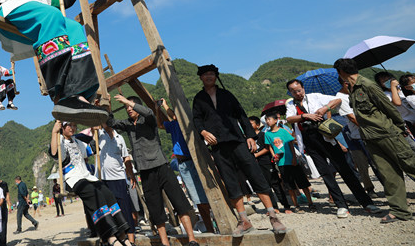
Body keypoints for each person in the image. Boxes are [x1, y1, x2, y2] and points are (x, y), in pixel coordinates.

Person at [191, 65, 287, 237]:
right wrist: (203, 132)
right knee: (230, 182)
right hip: (218, 147)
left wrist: (250, 136)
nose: (208, 76)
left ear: (215, 76)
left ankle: (273, 216)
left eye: (211, 74)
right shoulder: (198, 98)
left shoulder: (226, 94)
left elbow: (241, 114)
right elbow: (196, 119)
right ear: (200, 78)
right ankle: (244, 220)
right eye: (205, 74)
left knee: (255, 174)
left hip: (238, 141)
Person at [108, 96, 199, 246]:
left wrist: (127, 101)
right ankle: (165, 243)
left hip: (162, 166)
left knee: (180, 202)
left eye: (131, 107)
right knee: (155, 209)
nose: (129, 109)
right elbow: (111, 122)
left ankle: (192, 239)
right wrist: (108, 106)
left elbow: (149, 112)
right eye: (127, 108)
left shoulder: (148, 119)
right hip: (145, 171)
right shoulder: (128, 124)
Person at [334, 58, 415, 223]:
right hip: (370, 138)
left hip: (387, 134)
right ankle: (399, 211)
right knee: (389, 174)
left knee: (411, 164)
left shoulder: (368, 86)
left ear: (342, 72)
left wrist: (400, 129)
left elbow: (389, 109)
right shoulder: (351, 89)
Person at [285, 78, 379, 218]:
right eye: (293, 91)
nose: (297, 93)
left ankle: (366, 203)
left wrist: (325, 108)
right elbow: (289, 119)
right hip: (310, 142)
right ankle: (341, 205)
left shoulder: (315, 96)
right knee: (325, 173)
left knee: (345, 169)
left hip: (326, 137)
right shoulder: (291, 104)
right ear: (290, 93)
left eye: (299, 90)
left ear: (303, 88)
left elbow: (337, 100)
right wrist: (305, 116)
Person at [50, 121, 135, 246]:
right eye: (69, 125)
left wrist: (96, 131)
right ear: (62, 127)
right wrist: (54, 132)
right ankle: (110, 237)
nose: (73, 128)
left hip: (86, 176)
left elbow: (93, 148)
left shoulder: (77, 141)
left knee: (107, 193)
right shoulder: (60, 140)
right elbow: (54, 153)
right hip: (72, 179)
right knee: (96, 195)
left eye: (74, 125)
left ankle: (122, 235)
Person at [156, 98, 214, 232]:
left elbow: (176, 116)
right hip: (182, 164)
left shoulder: (189, 121)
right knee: (197, 199)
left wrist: (165, 106)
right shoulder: (174, 124)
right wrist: (157, 110)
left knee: (205, 196)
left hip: (194, 161)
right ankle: (209, 227)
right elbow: (160, 125)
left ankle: (212, 225)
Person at [264, 113, 316, 211]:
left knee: (302, 183)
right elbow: (270, 146)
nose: (267, 121)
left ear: (276, 120)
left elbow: (291, 145)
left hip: (291, 160)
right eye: (266, 120)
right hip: (281, 163)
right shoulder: (267, 134)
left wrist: (293, 158)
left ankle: (310, 203)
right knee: (289, 185)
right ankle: (296, 205)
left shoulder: (283, 131)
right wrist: (273, 155)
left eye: (269, 119)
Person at [96, 121, 138, 244]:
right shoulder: (98, 135)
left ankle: (131, 240)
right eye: (103, 121)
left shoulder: (120, 138)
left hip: (119, 178)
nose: (105, 123)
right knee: (110, 211)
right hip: (104, 179)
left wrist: (130, 175)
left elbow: (126, 158)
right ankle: (117, 239)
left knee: (125, 209)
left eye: (108, 120)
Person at [248, 116, 293, 214]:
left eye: (251, 123)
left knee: (275, 184)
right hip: (256, 165)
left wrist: (256, 155)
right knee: (265, 186)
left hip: (266, 162)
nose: (249, 125)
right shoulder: (248, 138)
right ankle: (273, 207)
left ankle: (286, 206)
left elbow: (267, 148)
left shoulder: (263, 135)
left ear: (257, 124)